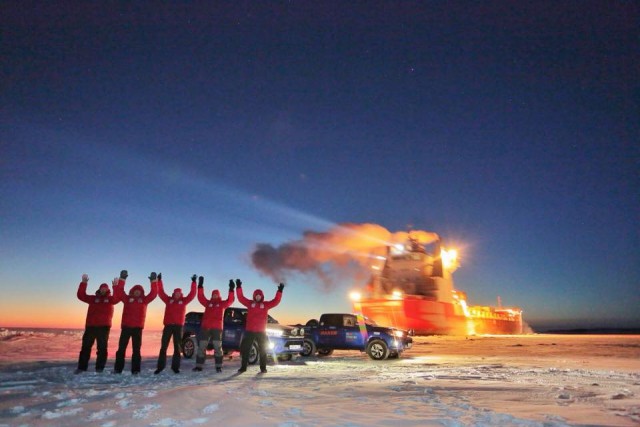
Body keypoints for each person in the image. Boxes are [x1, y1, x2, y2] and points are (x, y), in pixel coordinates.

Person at [113, 271, 158, 374]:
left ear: (141, 292)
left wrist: (153, 281)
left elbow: (154, 293)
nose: (137, 292)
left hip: (137, 328)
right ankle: (118, 369)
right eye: (135, 290)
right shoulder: (127, 299)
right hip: (126, 327)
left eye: (139, 291)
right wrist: (122, 279)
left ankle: (136, 370)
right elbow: (120, 292)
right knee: (121, 349)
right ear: (132, 291)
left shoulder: (145, 300)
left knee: (136, 350)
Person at [235, 279, 284, 374]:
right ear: (254, 296)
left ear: (261, 296)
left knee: (263, 350)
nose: (258, 297)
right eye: (256, 295)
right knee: (246, 349)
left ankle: (263, 368)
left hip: (261, 331)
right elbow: (241, 298)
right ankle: (243, 367)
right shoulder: (249, 303)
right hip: (250, 331)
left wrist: (280, 291)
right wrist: (238, 287)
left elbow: (276, 301)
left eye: (259, 295)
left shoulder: (265, 305)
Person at [75, 273, 120, 373]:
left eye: (105, 288)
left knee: (102, 349)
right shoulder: (92, 299)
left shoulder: (110, 299)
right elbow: (81, 296)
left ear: (107, 290)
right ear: (99, 289)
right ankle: (81, 368)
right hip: (90, 326)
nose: (103, 290)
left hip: (104, 327)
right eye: (102, 288)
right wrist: (84, 283)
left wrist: (115, 286)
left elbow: (118, 298)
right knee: (85, 348)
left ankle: (99, 368)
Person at [154, 273, 196, 374]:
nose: (177, 294)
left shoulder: (184, 301)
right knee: (163, 346)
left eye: (179, 293)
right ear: (174, 293)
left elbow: (192, 294)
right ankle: (160, 367)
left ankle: (175, 367)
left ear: (180, 294)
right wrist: (159, 281)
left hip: (178, 326)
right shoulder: (168, 300)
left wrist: (194, 282)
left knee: (177, 348)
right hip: (168, 326)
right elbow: (161, 292)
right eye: (176, 293)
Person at [193, 277, 235, 372]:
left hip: (217, 329)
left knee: (217, 347)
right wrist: (200, 286)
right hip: (206, 328)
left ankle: (218, 366)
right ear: (212, 295)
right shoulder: (207, 303)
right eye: (213, 295)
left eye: (216, 295)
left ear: (219, 296)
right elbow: (200, 297)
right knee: (202, 347)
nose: (215, 296)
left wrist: (231, 289)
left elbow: (230, 300)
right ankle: (199, 366)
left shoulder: (222, 304)